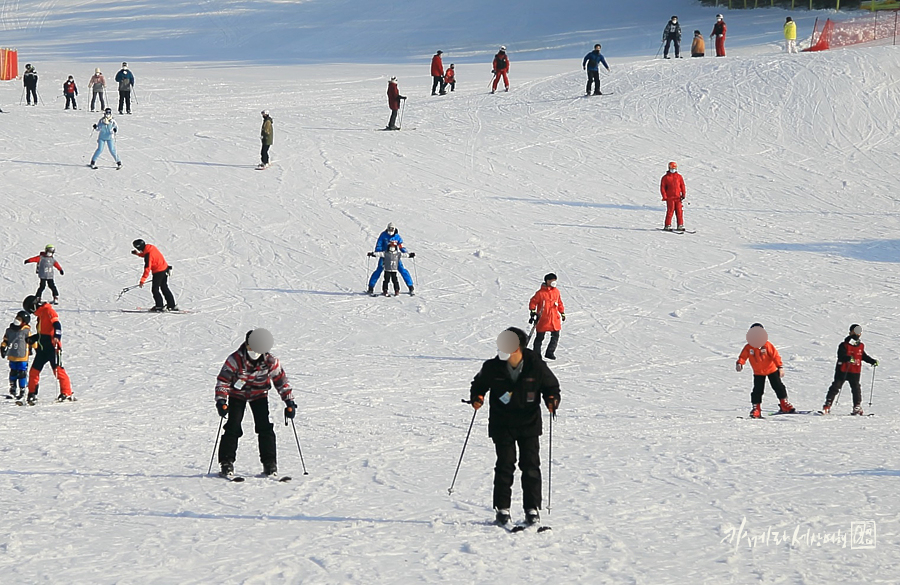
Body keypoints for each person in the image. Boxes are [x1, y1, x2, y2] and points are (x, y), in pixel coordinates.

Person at [469, 327, 560, 527]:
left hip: (529, 424)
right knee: (505, 465)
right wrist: (478, 397)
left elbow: (551, 386)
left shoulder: (535, 364)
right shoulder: (493, 366)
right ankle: (502, 509)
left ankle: (532, 509)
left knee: (530, 467)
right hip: (502, 424)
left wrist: (552, 399)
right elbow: (479, 383)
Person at [215, 328, 296, 478]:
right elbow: (223, 380)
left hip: (259, 395)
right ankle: (226, 462)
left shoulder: (270, 361)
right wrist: (221, 400)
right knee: (233, 426)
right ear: (246, 344)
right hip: (237, 395)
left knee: (264, 427)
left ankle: (270, 463)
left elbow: (281, 381)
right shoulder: (235, 359)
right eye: (251, 346)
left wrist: (289, 401)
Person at [21, 295, 74, 404]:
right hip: (42, 350)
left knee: (58, 370)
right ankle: (32, 394)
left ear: (33, 307)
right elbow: (43, 333)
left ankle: (66, 392)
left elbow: (57, 325)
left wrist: (57, 337)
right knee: (34, 371)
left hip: (52, 348)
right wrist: (33, 338)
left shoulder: (48, 311)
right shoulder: (40, 315)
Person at [736, 323, 795, 419]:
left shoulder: (767, 345)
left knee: (778, 386)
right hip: (758, 372)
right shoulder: (749, 347)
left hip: (771, 370)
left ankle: (784, 404)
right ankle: (756, 409)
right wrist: (740, 363)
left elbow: (775, 356)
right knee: (757, 390)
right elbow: (743, 356)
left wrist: (780, 367)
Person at [822, 324, 878, 415]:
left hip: (855, 371)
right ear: (850, 332)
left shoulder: (861, 346)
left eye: (859, 332)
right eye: (855, 331)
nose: (857, 334)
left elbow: (863, 356)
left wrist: (872, 361)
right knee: (835, 387)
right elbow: (841, 356)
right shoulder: (843, 345)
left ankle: (857, 406)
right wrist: (847, 358)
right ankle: (827, 405)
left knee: (856, 389)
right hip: (843, 370)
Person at [367, 222, 415, 295]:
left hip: (395, 257)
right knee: (379, 269)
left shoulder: (397, 237)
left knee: (402, 269)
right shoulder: (383, 235)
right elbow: (379, 245)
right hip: (385, 256)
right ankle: (371, 287)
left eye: (392, 229)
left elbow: (401, 246)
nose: (390, 230)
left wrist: (406, 253)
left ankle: (410, 286)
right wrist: (376, 253)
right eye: (389, 229)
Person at [131, 239, 178, 312]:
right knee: (164, 287)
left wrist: (142, 280)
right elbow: (148, 254)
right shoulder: (151, 247)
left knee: (155, 289)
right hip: (165, 268)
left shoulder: (148, 255)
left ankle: (159, 306)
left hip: (158, 272)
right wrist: (138, 254)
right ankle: (172, 305)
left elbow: (147, 268)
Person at [529, 273, 566, 360]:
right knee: (540, 337)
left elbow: (559, 302)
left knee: (555, 336)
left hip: (554, 318)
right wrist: (533, 311)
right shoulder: (540, 293)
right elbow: (533, 302)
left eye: (555, 281)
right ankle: (537, 355)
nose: (554, 282)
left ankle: (550, 352)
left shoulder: (556, 291)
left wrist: (562, 312)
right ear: (547, 281)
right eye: (552, 281)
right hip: (543, 319)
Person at [1, 311, 35, 400]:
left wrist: (37, 348)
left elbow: (32, 341)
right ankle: (13, 388)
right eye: (17, 318)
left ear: (24, 321)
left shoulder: (26, 331)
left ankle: (22, 389)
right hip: (12, 355)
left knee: (22, 373)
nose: (17, 320)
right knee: (13, 372)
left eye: (19, 319)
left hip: (22, 357)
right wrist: (3, 347)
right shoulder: (9, 330)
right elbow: (5, 340)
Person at [659, 161, 686, 231]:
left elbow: (682, 185)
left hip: (678, 197)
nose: (673, 169)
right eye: (672, 168)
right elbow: (662, 187)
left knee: (679, 211)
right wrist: (664, 196)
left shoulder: (679, 177)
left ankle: (680, 225)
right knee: (670, 211)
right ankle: (667, 225)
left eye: (674, 168)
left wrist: (683, 194)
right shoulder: (665, 178)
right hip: (670, 198)